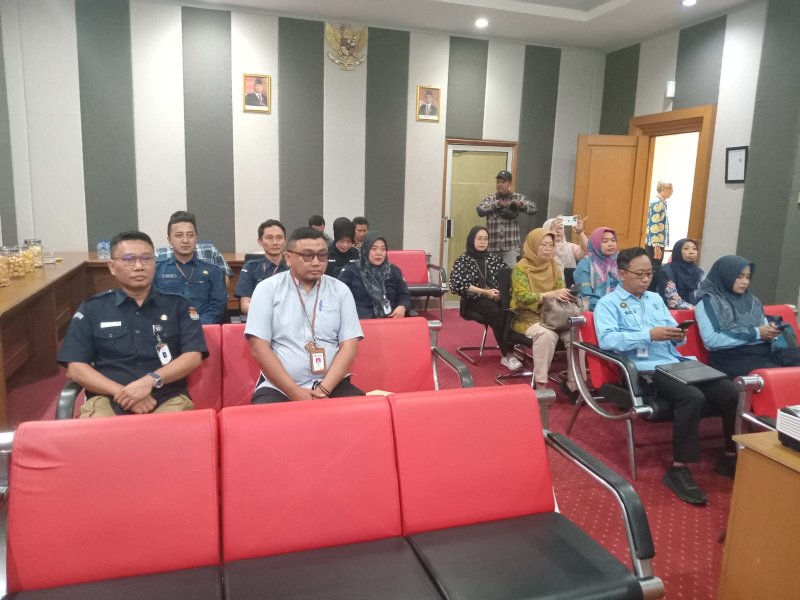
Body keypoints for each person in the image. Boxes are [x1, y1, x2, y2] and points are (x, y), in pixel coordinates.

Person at [594, 247, 739, 505]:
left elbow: (674, 337)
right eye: (639, 274)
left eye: (649, 274)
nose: (645, 279)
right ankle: (679, 468)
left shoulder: (655, 299)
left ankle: (729, 456)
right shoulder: (608, 303)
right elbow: (607, 340)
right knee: (691, 396)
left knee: (730, 391)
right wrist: (648, 335)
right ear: (622, 273)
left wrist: (677, 335)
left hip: (677, 362)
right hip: (646, 370)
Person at [57, 231, 207, 418]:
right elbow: (76, 367)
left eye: (146, 258)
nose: (139, 266)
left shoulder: (179, 305)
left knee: (173, 432)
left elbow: (193, 356)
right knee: (96, 434)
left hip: (166, 397)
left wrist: (149, 381)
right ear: (112, 266)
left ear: (155, 263)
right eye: (128, 259)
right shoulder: (92, 309)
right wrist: (123, 393)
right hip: (107, 398)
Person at [245, 227, 364, 403]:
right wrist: (295, 392)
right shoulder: (267, 289)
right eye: (307, 256)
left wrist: (324, 389)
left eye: (322, 255)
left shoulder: (340, 290)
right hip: (280, 386)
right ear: (288, 258)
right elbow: (258, 347)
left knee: (362, 410)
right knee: (265, 416)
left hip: (332, 383)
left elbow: (349, 345)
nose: (316, 262)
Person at [695, 255, 800, 377]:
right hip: (732, 358)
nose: (745, 281)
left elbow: (763, 326)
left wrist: (770, 331)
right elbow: (711, 340)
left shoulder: (752, 300)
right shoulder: (708, 302)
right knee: (782, 376)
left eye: (748, 277)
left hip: (764, 352)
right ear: (725, 275)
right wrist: (757, 333)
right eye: (739, 276)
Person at [510, 228, 583, 393]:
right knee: (546, 335)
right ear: (533, 245)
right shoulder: (521, 268)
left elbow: (559, 291)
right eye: (543, 245)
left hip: (554, 315)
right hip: (527, 316)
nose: (548, 249)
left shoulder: (554, 266)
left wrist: (567, 293)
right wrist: (547, 295)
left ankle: (574, 384)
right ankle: (541, 385)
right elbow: (521, 297)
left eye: (551, 245)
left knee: (576, 334)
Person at [450, 226, 520, 370]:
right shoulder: (463, 260)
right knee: (496, 312)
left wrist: (500, 293)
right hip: (472, 301)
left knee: (509, 310)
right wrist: (485, 292)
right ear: (472, 240)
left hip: (495, 297)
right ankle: (507, 355)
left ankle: (510, 349)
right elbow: (458, 284)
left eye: (485, 239)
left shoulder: (493, 258)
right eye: (479, 239)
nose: (483, 242)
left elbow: (507, 277)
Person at [154, 211, 228, 324]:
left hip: (204, 328)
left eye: (190, 235)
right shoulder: (157, 270)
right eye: (179, 235)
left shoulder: (214, 271)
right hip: (168, 328)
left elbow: (217, 306)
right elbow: (153, 305)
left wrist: (197, 327)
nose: (185, 240)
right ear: (169, 240)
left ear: (196, 238)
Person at [338, 232, 411, 319]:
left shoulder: (393, 271)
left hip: (390, 319)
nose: (379, 253)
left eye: (383, 249)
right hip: (360, 321)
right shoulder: (351, 270)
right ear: (365, 250)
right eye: (374, 249)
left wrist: (402, 306)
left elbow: (404, 295)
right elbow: (339, 297)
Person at [476, 170, 537, 268]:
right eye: (498, 182)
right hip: (492, 247)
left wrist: (520, 204)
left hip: (511, 249)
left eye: (503, 182)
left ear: (510, 183)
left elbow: (534, 209)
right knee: (492, 275)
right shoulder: (489, 199)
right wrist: (497, 204)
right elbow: (480, 211)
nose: (500, 184)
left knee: (511, 275)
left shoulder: (518, 197)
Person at [235, 219, 289, 315]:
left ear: (285, 241)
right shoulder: (251, 267)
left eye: (279, 237)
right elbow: (245, 305)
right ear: (260, 242)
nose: (275, 242)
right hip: (261, 318)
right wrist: (271, 313)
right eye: (269, 238)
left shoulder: (293, 267)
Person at [573, 227, 619, 311]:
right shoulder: (585, 264)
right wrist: (610, 308)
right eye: (605, 241)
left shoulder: (620, 262)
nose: (611, 244)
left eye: (613, 240)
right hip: (596, 309)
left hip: (621, 307)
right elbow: (586, 296)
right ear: (595, 243)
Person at [657, 238, 704, 309]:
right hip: (670, 312)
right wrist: (692, 308)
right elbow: (672, 300)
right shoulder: (668, 270)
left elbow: (703, 295)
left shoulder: (699, 272)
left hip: (696, 311)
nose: (692, 252)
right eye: (686, 248)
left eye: (694, 249)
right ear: (678, 251)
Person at [645, 180, 673, 267]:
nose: (672, 191)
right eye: (671, 189)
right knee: (654, 267)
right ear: (663, 189)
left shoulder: (661, 202)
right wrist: (656, 247)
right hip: (654, 244)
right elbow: (653, 225)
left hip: (657, 242)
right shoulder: (657, 203)